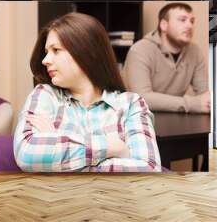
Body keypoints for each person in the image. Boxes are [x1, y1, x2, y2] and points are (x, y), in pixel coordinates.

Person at [13, 12, 162, 173]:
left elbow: (149, 169)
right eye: (46, 52)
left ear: (86, 52)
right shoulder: (45, 94)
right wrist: (114, 148)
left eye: (56, 50)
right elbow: (27, 153)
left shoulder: (131, 104)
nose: (45, 60)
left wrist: (58, 142)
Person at [123, 3, 210, 113]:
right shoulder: (139, 50)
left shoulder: (195, 51)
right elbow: (141, 98)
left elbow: (205, 95)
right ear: (163, 25)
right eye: (182, 20)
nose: (189, 25)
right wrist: (191, 104)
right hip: (139, 121)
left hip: (177, 119)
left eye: (192, 21)